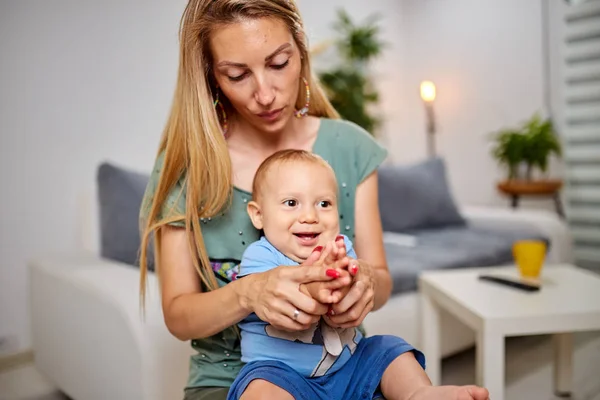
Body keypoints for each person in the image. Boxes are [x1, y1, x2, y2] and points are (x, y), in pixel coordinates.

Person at [138, 1, 490, 399]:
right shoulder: (187, 166)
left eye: (279, 63)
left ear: (300, 50)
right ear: (212, 78)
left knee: (393, 351)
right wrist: (249, 293)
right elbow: (178, 316)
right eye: (238, 75)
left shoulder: (351, 147)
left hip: (346, 367)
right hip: (236, 379)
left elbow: (380, 276)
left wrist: (365, 285)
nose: (265, 94)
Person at [229, 149, 429, 400]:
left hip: (348, 366)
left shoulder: (340, 246)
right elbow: (290, 302)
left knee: (391, 349)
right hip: (281, 375)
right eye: (291, 203)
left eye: (324, 204)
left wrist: (347, 284)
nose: (310, 217)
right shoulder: (260, 257)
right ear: (258, 215)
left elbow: (353, 290)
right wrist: (319, 286)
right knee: (260, 389)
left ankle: (420, 393)